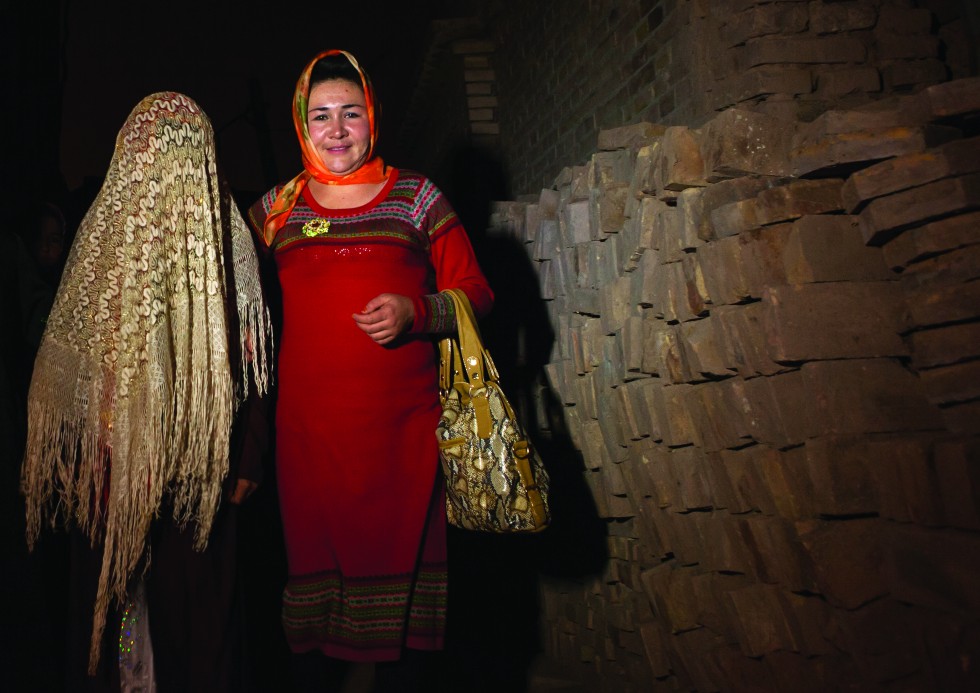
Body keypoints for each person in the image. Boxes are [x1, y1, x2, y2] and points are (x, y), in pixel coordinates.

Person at [246, 49, 493, 692]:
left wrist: (418, 312)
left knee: (402, 648)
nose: (336, 130)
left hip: (402, 442)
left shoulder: (417, 196)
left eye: (350, 114)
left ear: (372, 117)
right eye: (320, 115)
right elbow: (233, 298)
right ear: (301, 122)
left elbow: (477, 291)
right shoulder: (275, 209)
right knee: (316, 641)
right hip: (309, 443)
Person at [20, 91, 274, 692]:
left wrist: (248, 456)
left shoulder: (234, 244)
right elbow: (72, 368)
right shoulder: (101, 246)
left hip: (201, 480)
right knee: (125, 627)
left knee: (197, 628)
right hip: (115, 480)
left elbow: (258, 365)